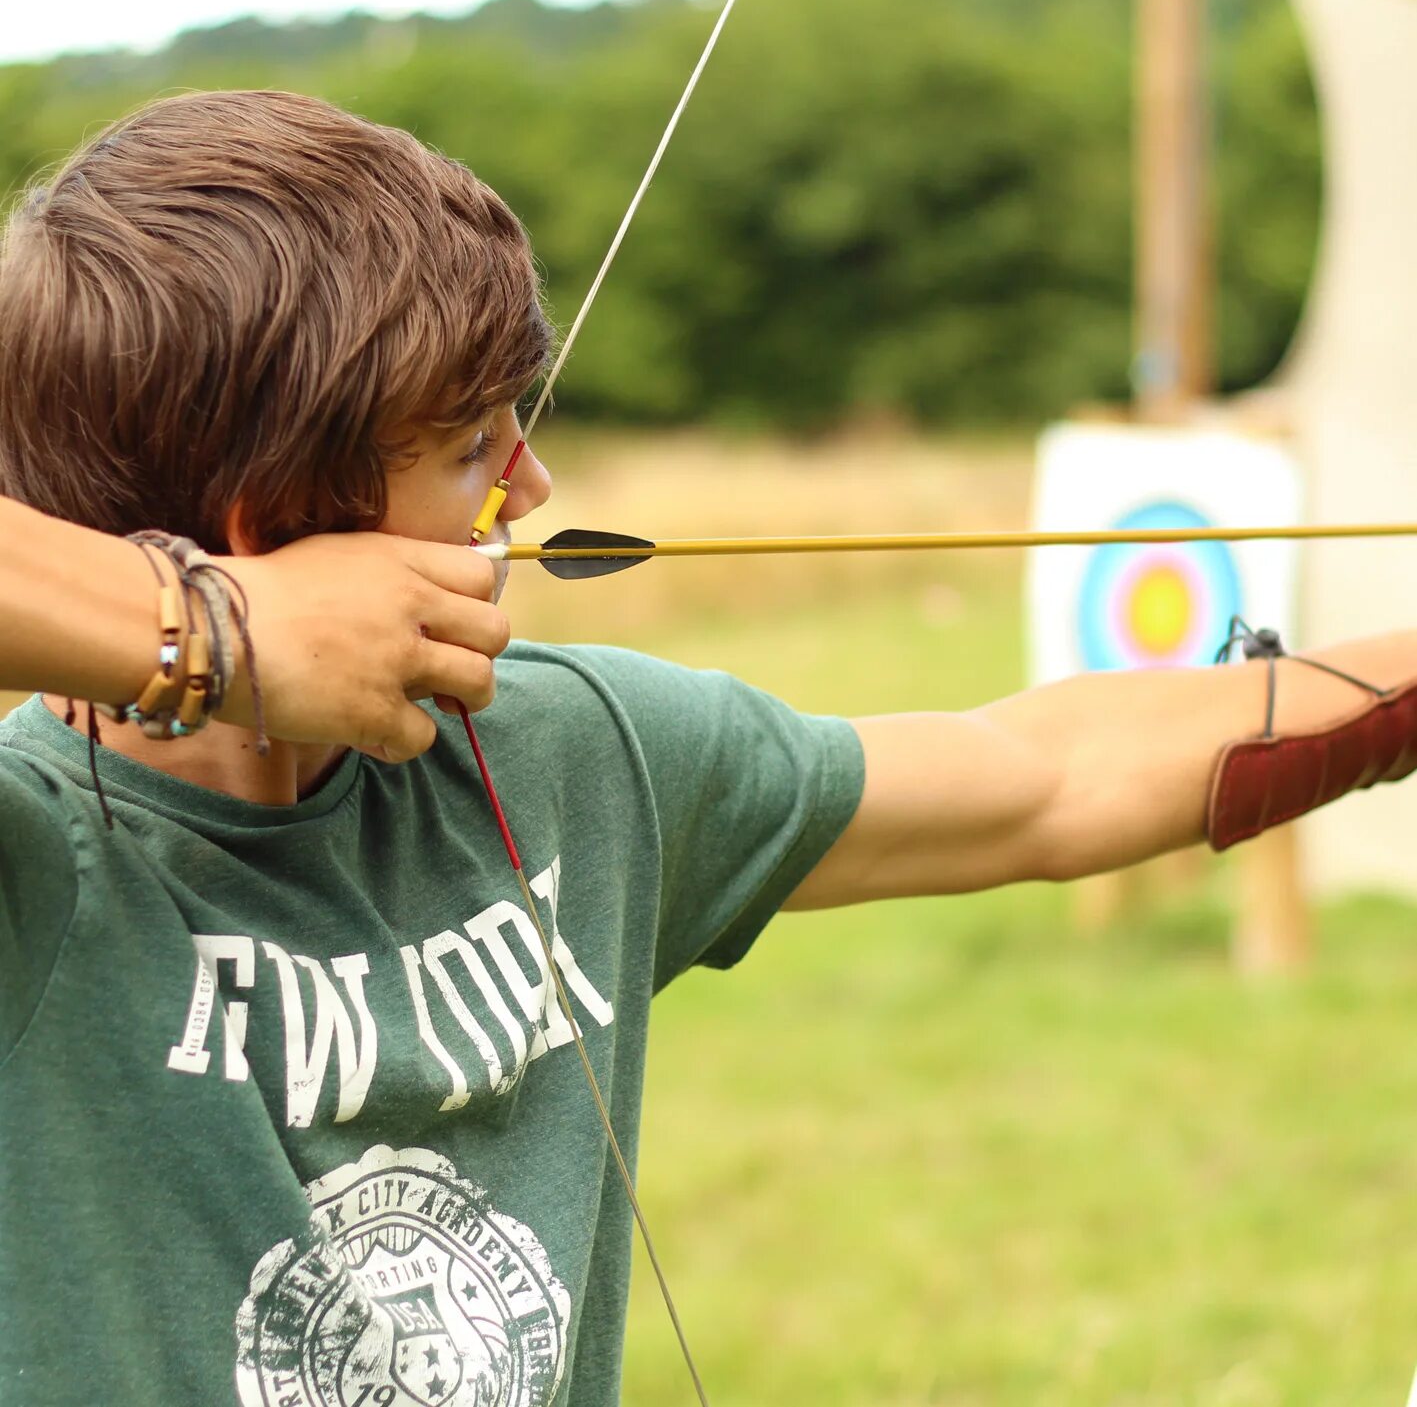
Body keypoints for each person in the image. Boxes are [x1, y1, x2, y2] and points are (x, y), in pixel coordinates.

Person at [0, 91, 1412, 1407]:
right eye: (469, 446)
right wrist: (214, 632)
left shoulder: (563, 748)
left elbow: (1046, 778)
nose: (534, 485)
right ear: (271, 528)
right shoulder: (30, 857)